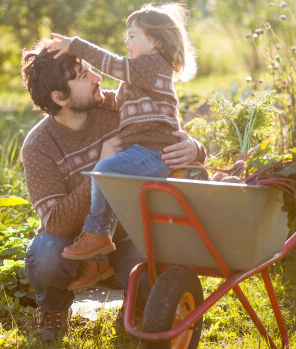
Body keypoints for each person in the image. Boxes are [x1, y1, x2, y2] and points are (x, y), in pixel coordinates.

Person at [20, 37, 205, 341]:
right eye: (84, 76)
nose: (98, 78)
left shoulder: (118, 106)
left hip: (129, 231)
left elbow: (170, 135)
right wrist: (100, 171)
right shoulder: (39, 145)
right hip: (76, 243)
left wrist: (194, 148)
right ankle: (53, 311)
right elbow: (53, 222)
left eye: (92, 69)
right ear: (60, 97)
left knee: (156, 277)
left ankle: (136, 307)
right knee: (46, 255)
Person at [46, 3, 197, 269]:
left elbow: (113, 64)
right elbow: (117, 102)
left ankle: (97, 234)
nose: (126, 40)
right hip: (143, 150)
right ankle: (99, 257)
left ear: (153, 40)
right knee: (112, 186)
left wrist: (76, 46)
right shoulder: (138, 77)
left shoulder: (152, 65)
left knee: (105, 170)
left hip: (154, 150)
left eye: (132, 35)